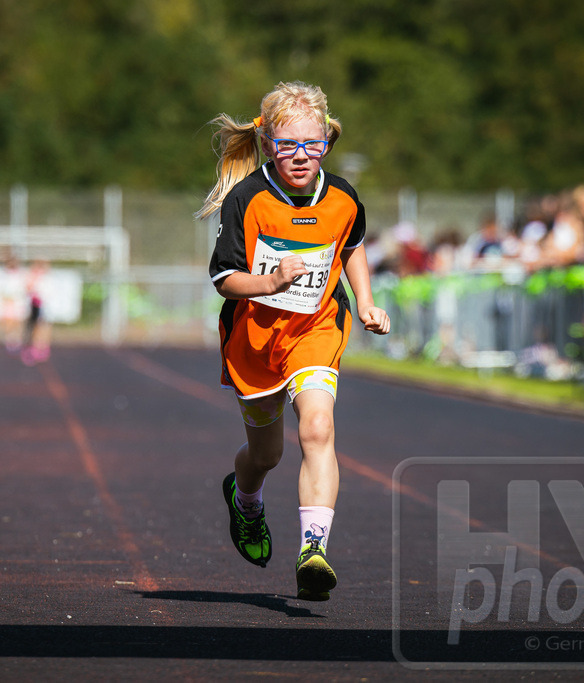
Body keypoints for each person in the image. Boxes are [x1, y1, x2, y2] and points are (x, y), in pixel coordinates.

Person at [199, 81, 391, 601]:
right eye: (288, 146)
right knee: (266, 455)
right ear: (267, 144)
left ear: (327, 142)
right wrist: (270, 283)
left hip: (316, 329)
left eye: (313, 145)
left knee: (318, 426)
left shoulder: (345, 196)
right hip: (255, 340)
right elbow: (223, 278)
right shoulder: (248, 199)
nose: (301, 157)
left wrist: (367, 300)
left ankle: (313, 549)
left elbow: (349, 246)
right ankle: (246, 501)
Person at [22, 260, 52, 365]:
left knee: (43, 327)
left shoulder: (46, 279)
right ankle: (32, 347)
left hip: (43, 305)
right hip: (35, 305)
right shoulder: (33, 278)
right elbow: (28, 289)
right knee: (33, 327)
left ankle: (42, 347)